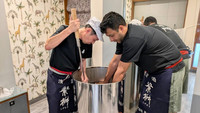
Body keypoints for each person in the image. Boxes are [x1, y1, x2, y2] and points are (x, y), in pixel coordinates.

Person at [100, 12, 185, 113]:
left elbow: (121, 71)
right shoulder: (122, 38)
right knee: (147, 104)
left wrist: (112, 96)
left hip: (170, 70)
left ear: (121, 28)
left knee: (165, 108)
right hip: (154, 71)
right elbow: (114, 62)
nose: (111, 40)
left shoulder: (133, 38)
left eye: (112, 35)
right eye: (109, 36)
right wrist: (104, 82)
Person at [45, 17, 103, 113]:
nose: (93, 42)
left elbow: (83, 59)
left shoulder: (88, 44)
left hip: (72, 78)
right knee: (56, 108)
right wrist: (69, 30)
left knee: (71, 107)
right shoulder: (65, 29)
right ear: (88, 31)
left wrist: (83, 74)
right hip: (56, 78)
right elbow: (48, 45)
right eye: (94, 39)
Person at [144, 16, 191, 113]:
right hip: (186, 57)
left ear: (145, 25)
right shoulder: (165, 27)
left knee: (170, 100)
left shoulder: (149, 29)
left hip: (176, 61)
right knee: (175, 93)